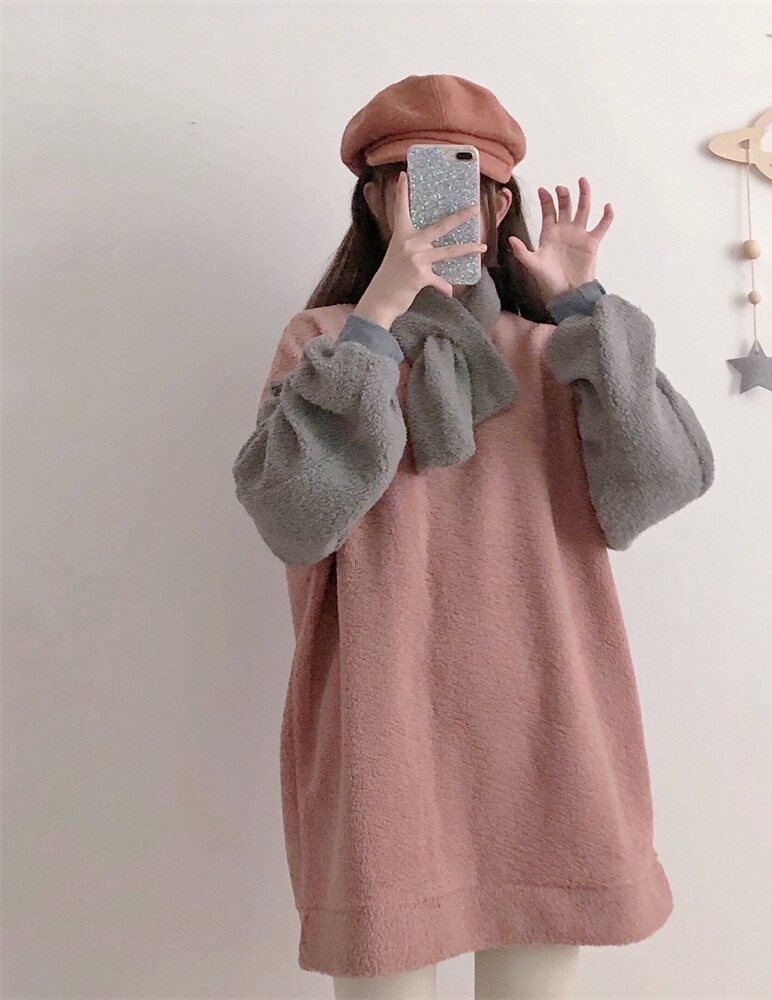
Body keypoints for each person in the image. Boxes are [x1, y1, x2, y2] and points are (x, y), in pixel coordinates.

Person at [231, 73, 715, 999]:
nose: (447, 204)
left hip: (548, 714)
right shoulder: (326, 345)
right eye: (414, 182)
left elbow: (662, 482)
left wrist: (585, 310)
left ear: (500, 206)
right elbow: (291, 516)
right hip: (385, 719)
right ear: (375, 201)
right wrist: (376, 321)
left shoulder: (557, 349)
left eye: (472, 185)